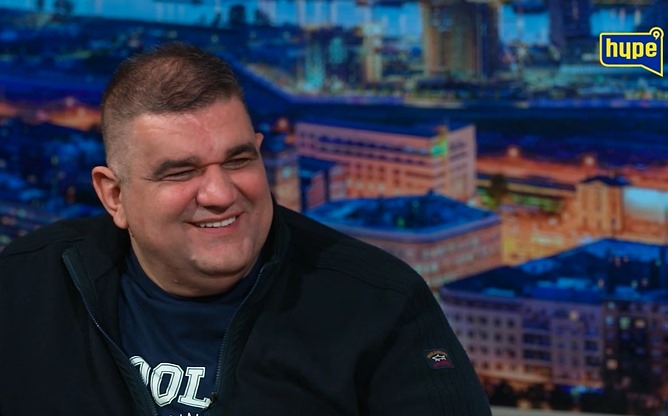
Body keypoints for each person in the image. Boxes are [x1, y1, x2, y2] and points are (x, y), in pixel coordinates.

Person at [0, 42, 492, 416]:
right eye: (181, 172)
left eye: (239, 160)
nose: (220, 193)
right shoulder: (26, 284)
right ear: (114, 195)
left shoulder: (380, 302)